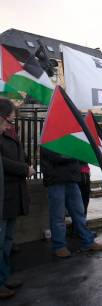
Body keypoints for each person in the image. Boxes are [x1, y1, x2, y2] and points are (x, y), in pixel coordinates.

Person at [40, 147, 102, 258]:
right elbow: (55, 156)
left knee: (79, 212)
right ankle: (59, 246)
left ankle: (88, 241)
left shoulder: (68, 134)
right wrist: (75, 153)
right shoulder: (49, 134)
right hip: (55, 180)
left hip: (71, 179)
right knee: (58, 215)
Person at [0, 99, 34, 299]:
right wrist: (23, 169)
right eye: (9, 120)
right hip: (5, 194)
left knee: (8, 240)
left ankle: (4, 277)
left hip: (12, 194)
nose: (10, 125)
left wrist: (26, 163)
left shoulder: (9, 135)